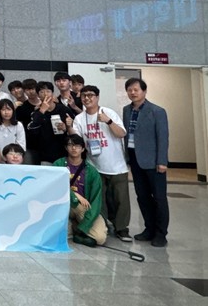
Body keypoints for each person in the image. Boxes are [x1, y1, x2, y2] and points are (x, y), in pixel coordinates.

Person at [69, 85, 131, 243]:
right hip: (94, 166)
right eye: (84, 95)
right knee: (98, 199)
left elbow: (122, 133)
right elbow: (77, 141)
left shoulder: (108, 112)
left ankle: (122, 228)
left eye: (91, 95)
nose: (87, 98)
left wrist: (108, 121)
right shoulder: (80, 118)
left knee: (121, 199)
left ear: (97, 97)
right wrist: (68, 127)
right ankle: (104, 225)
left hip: (116, 166)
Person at [123, 78, 169, 247]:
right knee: (142, 197)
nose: (132, 93)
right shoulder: (126, 110)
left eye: (136, 90)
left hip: (153, 161)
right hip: (135, 159)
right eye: (129, 90)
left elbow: (163, 137)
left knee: (159, 198)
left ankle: (161, 234)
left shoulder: (157, 111)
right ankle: (149, 229)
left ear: (144, 91)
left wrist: (162, 161)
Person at [54, 134, 107, 248]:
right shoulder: (58, 165)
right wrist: (75, 195)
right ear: (66, 147)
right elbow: (53, 186)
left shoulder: (91, 171)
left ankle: (76, 229)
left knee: (100, 238)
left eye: (77, 146)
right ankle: (71, 226)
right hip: (62, 203)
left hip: (82, 206)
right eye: (70, 145)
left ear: (83, 149)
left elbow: (96, 200)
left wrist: (83, 227)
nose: (74, 148)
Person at [27, 81, 75, 165]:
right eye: (42, 92)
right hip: (45, 155)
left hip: (63, 153)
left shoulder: (63, 109)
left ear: (52, 93)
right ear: (38, 95)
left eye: (48, 91)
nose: (45, 94)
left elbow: (75, 129)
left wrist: (66, 128)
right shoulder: (36, 113)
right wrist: (42, 110)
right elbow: (32, 131)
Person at [0, 99, 26, 164]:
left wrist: (15, 162)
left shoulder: (19, 125)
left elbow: (21, 148)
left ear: (13, 111)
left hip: (14, 162)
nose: (6, 112)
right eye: (3, 109)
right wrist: (1, 165)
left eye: (9, 109)